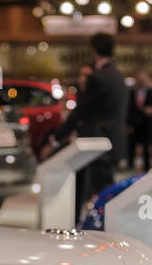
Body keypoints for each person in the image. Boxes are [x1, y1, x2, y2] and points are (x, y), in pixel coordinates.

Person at [49, 32, 128, 211]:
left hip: (96, 143)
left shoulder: (99, 77)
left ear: (93, 50)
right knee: (104, 189)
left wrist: (58, 135)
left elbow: (82, 111)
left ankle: (97, 228)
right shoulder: (118, 75)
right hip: (113, 140)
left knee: (99, 191)